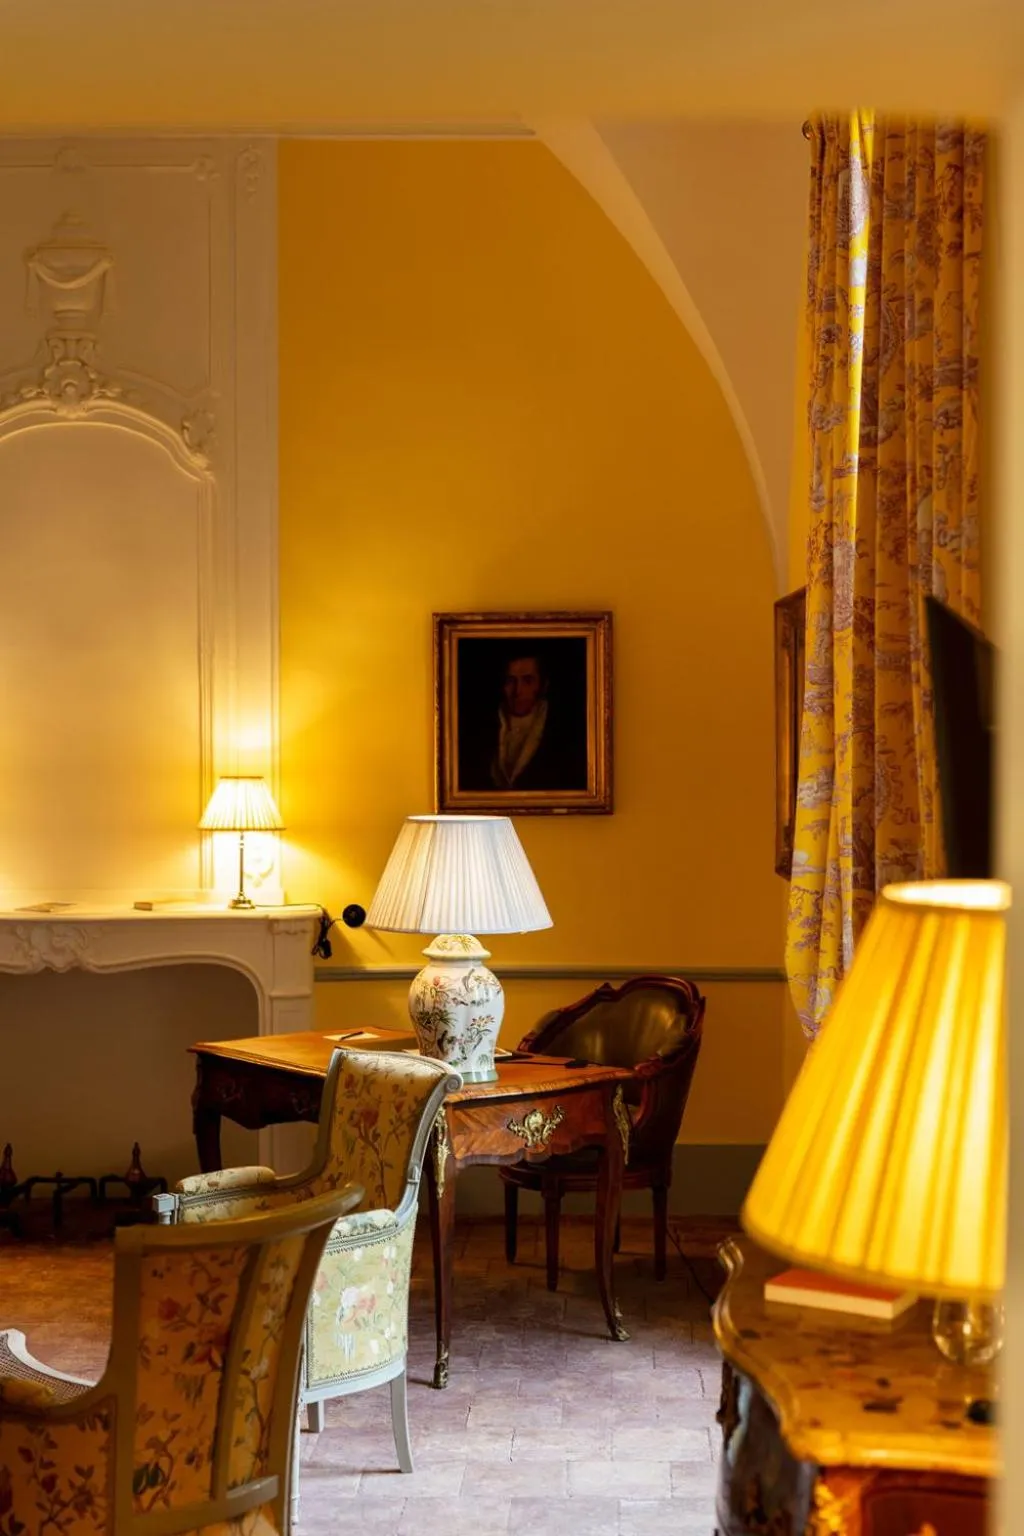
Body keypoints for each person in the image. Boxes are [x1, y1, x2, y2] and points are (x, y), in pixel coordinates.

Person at [458, 648, 588, 793]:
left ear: (542, 685)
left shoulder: (564, 731)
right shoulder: (480, 727)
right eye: (510, 681)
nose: (517, 691)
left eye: (528, 680)